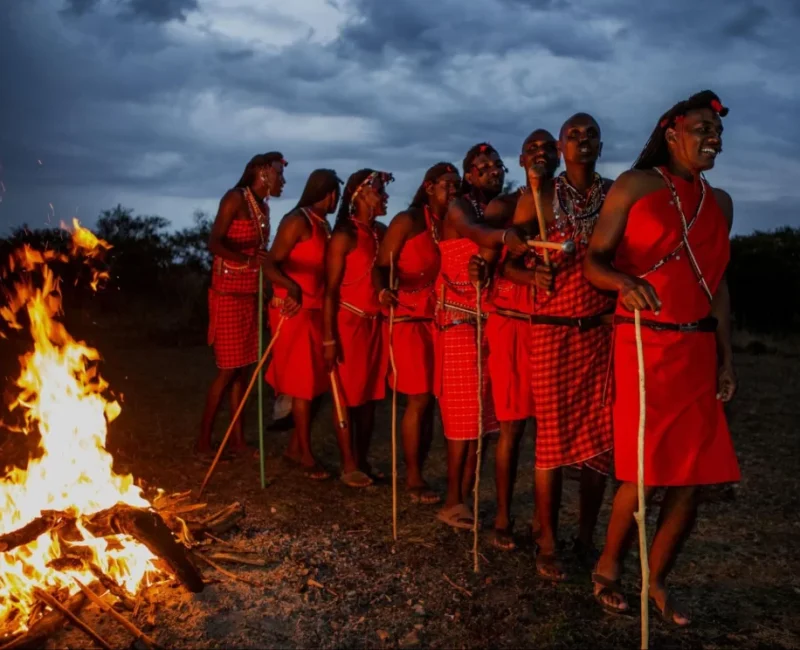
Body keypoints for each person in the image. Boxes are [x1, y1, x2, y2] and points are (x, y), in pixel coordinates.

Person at [584, 90, 739, 626]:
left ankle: (658, 580)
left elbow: (716, 286)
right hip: (645, 342)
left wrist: (726, 358)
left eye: (716, 131)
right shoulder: (635, 186)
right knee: (646, 473)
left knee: (692, 477)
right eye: (701, 128)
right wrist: (624, 282)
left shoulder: (721, 204)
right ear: (671, 132)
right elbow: (594, 263)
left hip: (698, 348)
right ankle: (608, 568)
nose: (713, 138)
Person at [515, 116, 616, 581]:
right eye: (573, 134)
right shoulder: (538, 197)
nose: (583, 140)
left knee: (600, 444)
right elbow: (507, 263)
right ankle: (549, 541)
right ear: (560, 145)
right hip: (552, 330)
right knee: (552, 443)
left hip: (600, 331)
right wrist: (531, 273)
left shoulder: (616, 195)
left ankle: (586, 537)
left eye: (590, 133)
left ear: (600, 143)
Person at [435, 143, 528, 530]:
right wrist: (510, 236)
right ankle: (453, 499)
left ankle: (469, 494)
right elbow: (478, 234)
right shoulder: (460, 209)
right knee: (463, 419)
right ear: (469, 175)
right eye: (482, 166)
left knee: (486, 419)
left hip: (489, 319)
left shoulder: (502, 207)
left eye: (496, 165)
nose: (492, 170)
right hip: (457, 320)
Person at [477, 130, 556, 550]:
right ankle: (504, 515)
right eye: (532, 149)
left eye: (547, 149)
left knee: (551, 431)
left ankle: (545, 525)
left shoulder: (569, 205)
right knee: (512, 428)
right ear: (522, 159)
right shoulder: (504, 207)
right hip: (510, 321)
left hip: (552, 324)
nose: (540, 154)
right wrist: (530, 275)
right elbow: (494, 266)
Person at [376, 162, 460, 505]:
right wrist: (384, 291)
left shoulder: (451, 224)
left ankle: (420, 471)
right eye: (448, 185)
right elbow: (382, 265)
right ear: (429, 187)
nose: (454, 191)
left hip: (436, 319)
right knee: (420, 398)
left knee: (432, 400)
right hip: (408, 319)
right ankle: (412, 477)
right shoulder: (408, 221)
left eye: (458, 185)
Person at [197, 152, 286, 456]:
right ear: (262, 172)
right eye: (279, 173)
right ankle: (203, 441)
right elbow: (215, 242)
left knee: (244, 371)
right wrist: (248, 259)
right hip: (228, 294)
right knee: (227, 371)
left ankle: (237, 439)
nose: (282, 180)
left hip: (250, 293)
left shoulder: (262, 205)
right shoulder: (235, 199)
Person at [264, 168, 343, 480]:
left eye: (337, 192)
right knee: (301, 382)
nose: (335, 198)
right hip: (293, 309)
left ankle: (295, 447)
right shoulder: (297, 220)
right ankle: (306, 455)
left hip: (315, 310)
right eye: (332, 192)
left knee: (314, 382)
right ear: (322, 192)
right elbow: (270, 263)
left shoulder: (324, 225)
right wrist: (291, 287)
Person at [323, 169, 393, 488]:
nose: (385, 196)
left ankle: (362, 459)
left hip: (375, 324)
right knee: (347, 396)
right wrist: (328, 337)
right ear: (360, 196)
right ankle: (348, 464)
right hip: (347, 322)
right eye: (379, 190)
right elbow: (331, 289)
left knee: (369, 396)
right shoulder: (345, 235)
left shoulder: (380, 231)